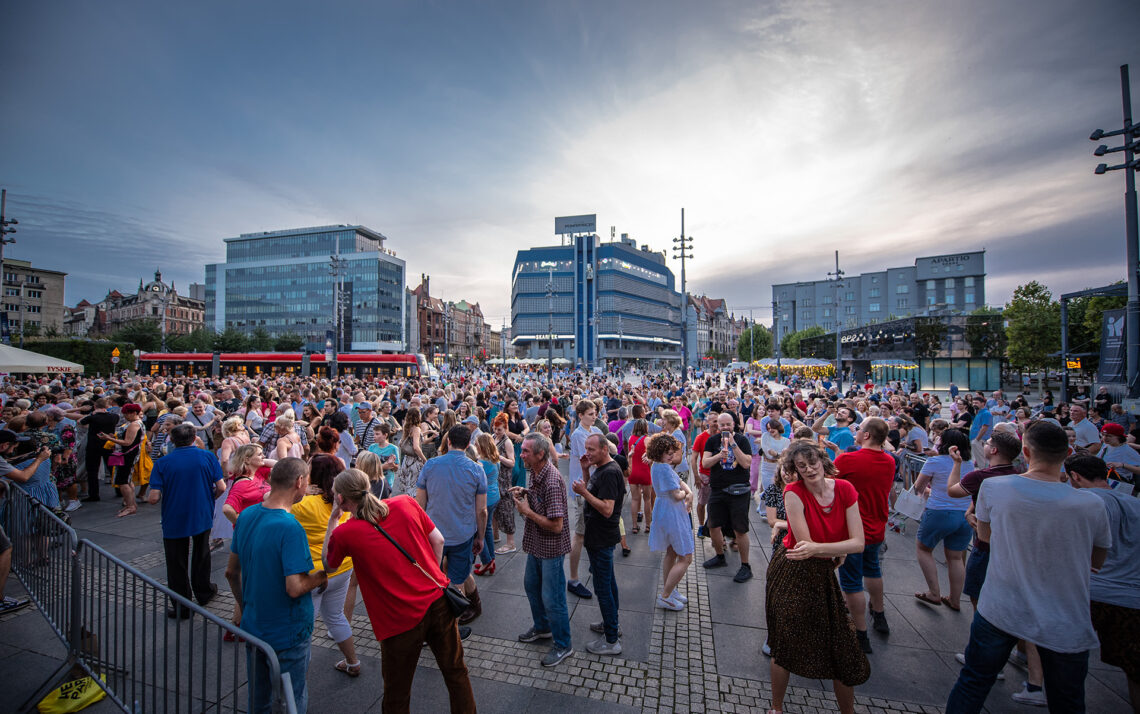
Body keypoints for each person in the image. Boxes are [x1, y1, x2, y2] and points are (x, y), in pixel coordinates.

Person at [945, 421, 1111, 714]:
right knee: (1068, 701)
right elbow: (1096, 562)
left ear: (1026, 451)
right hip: (1066, 617)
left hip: (1001, 607)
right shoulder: (1092, 504)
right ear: (1068, 452)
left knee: (973, 683)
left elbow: (985, 538)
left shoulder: (995, 488)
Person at [323, 469, 477, 713]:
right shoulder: (406, 503)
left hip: (397, 619)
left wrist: (333, 519)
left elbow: (328, 564)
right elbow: (438, 540)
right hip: (437, 602)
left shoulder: (345, 533)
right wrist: (429, 575)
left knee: (397, 690)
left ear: (341, 499)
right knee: (456, 671)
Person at [766, 440, 869, 714]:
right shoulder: (793, 492)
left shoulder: (845, 488)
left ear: (823, 462)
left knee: (843, 648)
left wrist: (825, 549)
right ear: (795, 469)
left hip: (823, 572)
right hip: (792, 571)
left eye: (813, 463)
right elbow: (804, 544)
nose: (809, 469)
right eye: (802, 466)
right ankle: (776, 708)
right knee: (784, 642)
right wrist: (836, 549)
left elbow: (858, 542)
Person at [225, 458, 328, 714]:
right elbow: (294, 587)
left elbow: (230, 572)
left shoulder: (247, 515)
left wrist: (244, 605)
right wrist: (321, 577)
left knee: (258, 698)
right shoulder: (290, 527)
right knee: (291, 698)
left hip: (254, 623)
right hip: (288, 629)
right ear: (299, 482)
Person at [1066, 454, 1140, 713]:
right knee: (1135, 669)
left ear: (1075, 477)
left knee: (1069, 658)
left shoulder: (1083, 501)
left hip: (1089, 591)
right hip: (1132, 598)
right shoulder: (1135, 503)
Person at [146, 424, 226, 617]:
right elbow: (221, 487)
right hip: (202, 511)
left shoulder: (163, 463)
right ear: (194, 437)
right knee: (202, 553)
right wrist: (209, 499)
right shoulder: (207, 456)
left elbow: (154, 497)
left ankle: (182, 605)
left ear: (172, 440)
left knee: (176, 561)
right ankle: (204, 591)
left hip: (174, 515)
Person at [291, 458, 360, 677]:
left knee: (304, 625)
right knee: (335, 616)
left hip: (313, 574)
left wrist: (300, 492)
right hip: (342, 567)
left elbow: (270, 499)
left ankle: (297, 675)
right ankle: (353, 662)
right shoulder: (343, 500)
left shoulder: (302, 505)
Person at [416, 425, 487, 630]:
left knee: (433, 579)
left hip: (432, 533)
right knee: (457, 581)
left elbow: (419, 503)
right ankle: (452, 632)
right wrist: (480, 537)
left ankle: (442, 627)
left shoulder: (431, 465)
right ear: (468, 444)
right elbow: (481, 510)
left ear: (447, 442)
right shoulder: (476, 469)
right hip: (461, 534)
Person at [834, 417, 895, 652]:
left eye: (859, 429)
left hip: (852, 531)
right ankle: (879, 614)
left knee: (851, 582)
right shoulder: (889, 461)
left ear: (866, 435)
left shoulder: (849, 459)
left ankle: (860, 633)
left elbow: (830, 483)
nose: (856, 431)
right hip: (877, 529)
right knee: (873, 570)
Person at [512, 432, 573, 667]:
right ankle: (543, 627)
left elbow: (557, 526)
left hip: (551, 548)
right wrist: (525, 493)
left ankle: (563, 644)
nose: (521, 454)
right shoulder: (535, 473)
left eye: (526, 451)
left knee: (553, 597)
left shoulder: (551, 480)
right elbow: (541, 503)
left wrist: (527, 511)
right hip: (536, 543)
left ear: (540, 454)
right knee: (531, 586)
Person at [572, 433, 625, 655]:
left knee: (603, 588)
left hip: (602, 537)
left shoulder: (610, 472)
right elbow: (594, 492)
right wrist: (585, 471)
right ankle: (611, 623)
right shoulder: (600, 470)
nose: (587, 453)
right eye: (586, 448)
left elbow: (607, 509)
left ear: (605, 449)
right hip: (598, 537)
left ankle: (611, 640)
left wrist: (583, 491)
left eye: (592, 449)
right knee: (608, 583)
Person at [912, 429, 974, 610]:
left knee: (923, 549)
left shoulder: (934, 461)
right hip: (964, 514)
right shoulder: (970, 463)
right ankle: (955, 600)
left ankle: (934, 592)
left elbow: (918, 487)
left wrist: (929, 491)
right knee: (956, 558)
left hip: (939, 511)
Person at [701, 412, 753, 583]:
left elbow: (746, 463)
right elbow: (705, 463)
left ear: (734, 424)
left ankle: (745, 566)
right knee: (713, 525)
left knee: (740, 529)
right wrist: (720, 455)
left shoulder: (742, 440)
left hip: (738, 491)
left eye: (727, 424)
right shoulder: (713, 440)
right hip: (718, 489)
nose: (724, 427)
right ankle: (720, 556)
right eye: (721, 425)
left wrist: (732, 444)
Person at [647, 432, 694, 611]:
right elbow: (677, 494)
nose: (671, 455)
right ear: (659, 452)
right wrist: (687, 494)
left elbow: (679, 485)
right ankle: (666, 595)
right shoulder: (664, 468)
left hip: (664, 510)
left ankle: (670, 589)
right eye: (668, 452)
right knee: (686, 557)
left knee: (672, 552)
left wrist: (686, 491)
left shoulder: (658, 465)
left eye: (672, 451)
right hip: (672, 512)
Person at [566, 399, 602, 599]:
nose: (594, 416)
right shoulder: (580, 434)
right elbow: (590, 460)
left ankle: (591, 566)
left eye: (594, 412)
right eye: (590, 413)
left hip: (591, 486)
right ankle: (573, 579)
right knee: (579, 534)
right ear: (580, 415)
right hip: (583, 487)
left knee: (589, 530)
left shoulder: (594, 430)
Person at [98, 403, 144, 518]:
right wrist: (113, 437)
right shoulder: (133, 423)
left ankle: (130, 506)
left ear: (133, 413)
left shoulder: (134, 425)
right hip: (127, 455)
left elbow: (128, 442)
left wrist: (109, 439)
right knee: (127, 480)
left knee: (123, 481)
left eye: (126, 414)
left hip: (127, 455)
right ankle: (131, 504)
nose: (125, 416)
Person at [78, 398, 118, 502]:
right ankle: (119, 489)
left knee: (92, 471)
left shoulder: (93, 417)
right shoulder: (114, 416)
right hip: (108, 445)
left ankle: (94, 494)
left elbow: (81, 421)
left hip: (93, 446)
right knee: (112, 469)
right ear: (107, 406)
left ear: (95, 407)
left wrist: (92, 414)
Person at [473, 433, 501, 577]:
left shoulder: (482, 463)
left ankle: (486, 560)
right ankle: (491, 559)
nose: (475, 445)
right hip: (495, 495)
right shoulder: (495, 459)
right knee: (488, 527)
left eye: (477, 443)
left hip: (485, 499)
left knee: (479, 531)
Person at [490, 414, 518, 555]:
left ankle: (511, 542)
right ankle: (495, 535)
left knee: (506, 510)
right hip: (495, 478)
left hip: (504, 479)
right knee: (495, 509)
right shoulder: (493, 438)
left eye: (499, 429)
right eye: (495, 429)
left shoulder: (507, 442)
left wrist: (498, 457)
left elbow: (512, 462)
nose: (496, 432)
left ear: (505, 428)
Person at [627, 419, 654, 534]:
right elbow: (651, 456)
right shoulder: (647, 439)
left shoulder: (630, 439)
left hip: (633, 471)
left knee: (634, 499)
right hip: (644, 471)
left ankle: (634, 526)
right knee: (647, 499)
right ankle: (648, 525)